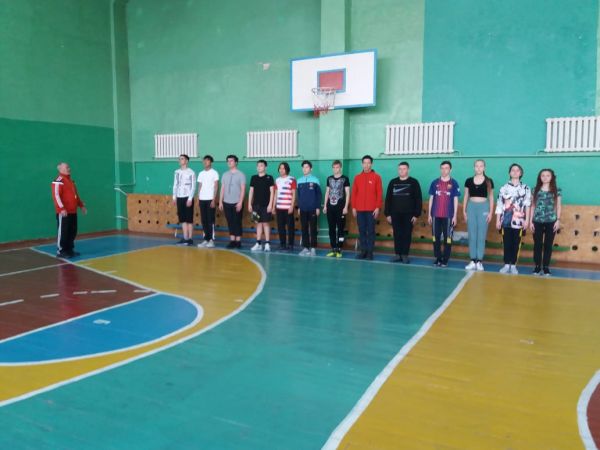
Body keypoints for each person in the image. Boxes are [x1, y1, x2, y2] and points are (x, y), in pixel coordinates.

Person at [495, 163, 531, 274]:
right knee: (506, 243)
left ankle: (514, 264)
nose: (515, 172)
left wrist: (527, 220)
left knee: (516, 243)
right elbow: (499, 204)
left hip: (519, 221)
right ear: (509, 173)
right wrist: (497, 220)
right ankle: (506, 264)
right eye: (513, 170)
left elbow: (527, 205)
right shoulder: (503, 188)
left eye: (517, 170)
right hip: (505, 221)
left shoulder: (526, 188)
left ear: (521, 173)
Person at [384, 161, 422, 263]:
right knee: (397, 234)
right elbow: (388, 199)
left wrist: (416, 214)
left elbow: (418, 199)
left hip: (409, 214)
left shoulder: (414, 182)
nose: (402, 171)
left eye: (404, 169)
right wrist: (387, 214)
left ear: (408, 170)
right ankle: (397, 254)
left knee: (407, 234)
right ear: (398, 170)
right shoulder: (393, 182)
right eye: (400, 169)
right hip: (395, 214)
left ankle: (405, 255)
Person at [462, 160, 494, 271]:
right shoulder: (468, 181)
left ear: (484, 167)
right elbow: (466, 196)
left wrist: (490, 212)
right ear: (474, 167)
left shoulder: (489, 181)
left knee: (481, 235)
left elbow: (491, 197)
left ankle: (479, 261)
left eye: (481, 166)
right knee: (472, 235)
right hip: (471, 208)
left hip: (484, 208)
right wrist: (464, 211)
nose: (479, 168)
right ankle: (472, 260)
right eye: (477, 166)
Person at [427, 160, 460, 267]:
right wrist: (429, 214)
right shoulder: (434, 183)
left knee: (448, 238)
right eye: (442, 168)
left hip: (448, 215)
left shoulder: (454, 183)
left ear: (450, 169)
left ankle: (445, 259)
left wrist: (455, 215)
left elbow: (455, 200)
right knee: (435, 237)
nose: (444, 170)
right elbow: (431, 198)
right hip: (435, 215)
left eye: (446, 168)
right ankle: (438, 258)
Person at [51, 162, 87, 258]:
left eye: (69, 167)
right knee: (63, 231)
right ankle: (61, 251)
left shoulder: (71, 181)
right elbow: (56, 196)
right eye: (67, 167)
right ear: (60, 169)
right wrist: (61, 208)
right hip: (64, 212)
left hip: (73, 211)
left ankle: (69, 250)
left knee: (72, 231)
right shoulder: (58, 181)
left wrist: (81, 205)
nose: (69, 169)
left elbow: (75, 195)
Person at [530, 169, 562, 276]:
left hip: (551, 221)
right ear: (540, 177)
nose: (545, 177)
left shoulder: (557, 190)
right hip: (537, 221)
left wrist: (558, 220)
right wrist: (530, 221)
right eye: (543, 175)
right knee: (537, 244)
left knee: (548, 244)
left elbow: (558, 206)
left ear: (552, 177)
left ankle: (546, 267)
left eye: (548, 175)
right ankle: (537, 266)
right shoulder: (535, 190)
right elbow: (532, 206)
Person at [351, 155, 383, 261]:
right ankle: (363, 251)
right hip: (359, 210)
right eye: (364, 163)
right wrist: (354, 207)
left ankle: (370, 252)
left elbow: (379, 193)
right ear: (362, 164)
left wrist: (377, 207)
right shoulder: (357, 177)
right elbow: (354, 193)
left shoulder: (377, 177)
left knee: (371, 231)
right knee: (362, 231)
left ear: (371, 164)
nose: (366, 165)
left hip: (371, 210)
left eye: (368, 163)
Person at [323, 160, 350, 257]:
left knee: (340, 229)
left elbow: (348, 193)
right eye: (334, 167)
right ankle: (333, 248)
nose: (335, 169)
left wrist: (346, 207)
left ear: (340, 168)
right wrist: (325, 205)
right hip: (330, 207)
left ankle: (339, 248)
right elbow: (327, 192)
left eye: (337, 167)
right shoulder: (329, 178)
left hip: (341, 208)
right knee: (331, 229)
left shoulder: (345, 178)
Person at [219, 154, 246, 249]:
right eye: (228, 161)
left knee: (237, 221)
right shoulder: (225, 174)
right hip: (226, 202)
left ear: (236, 162)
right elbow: (222, 188)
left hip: (237, 202)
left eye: (231, 161)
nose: (229, 162)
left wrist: (240, 202)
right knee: (230, 221)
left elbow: (243, 189)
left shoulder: (241, 174)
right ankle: (232, 240)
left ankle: (238, 241)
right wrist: (220, 201)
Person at [249, 160, 275, 252]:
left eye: (261, 165)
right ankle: (258, 243)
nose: (259, 167)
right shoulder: (253, 178)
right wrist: (249, 203)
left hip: (266, 205)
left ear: (265, 167)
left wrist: (270, 204)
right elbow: (251, 191)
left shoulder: (269, 178)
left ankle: (267, 243)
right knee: (258, 223)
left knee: (266, 223)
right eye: (258, 166)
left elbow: (272, 192)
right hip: (256, 205)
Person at [296, 160, 321, 257]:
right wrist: (299, 207)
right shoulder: (299, 180)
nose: (305, 169)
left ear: (311, 169)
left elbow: (319, 195)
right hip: (303, 209)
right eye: (303, 167)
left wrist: (317, 207)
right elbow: (298, 196)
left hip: (313, 209)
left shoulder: (315, 180)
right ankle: (305, 248)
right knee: (304, 228)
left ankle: (313, 248)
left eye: (307, 167)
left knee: (313, 229)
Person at [172, 154, 196, 246]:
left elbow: (193, 187)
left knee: (189, 219)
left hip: (188, 197)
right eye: (179, 159)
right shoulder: (176, 172)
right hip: (179, 197)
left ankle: (190, 238)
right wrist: (174, 197)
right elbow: (175, 185)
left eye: (182, 159)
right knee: (182, 218)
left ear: (186, 161)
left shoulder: (191, 172)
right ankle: (185, 237)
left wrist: (190, 199)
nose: (180, 160)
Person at [196, 154, 219, 248]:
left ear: (211, 162)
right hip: (202, 199)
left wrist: (214, 199)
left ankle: (211, 240)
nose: (205, 162)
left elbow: (216, 186)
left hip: (210, 199)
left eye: (207, 160)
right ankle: (206, 239)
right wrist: (198, 198)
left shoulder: (214, 173)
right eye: (204, 160)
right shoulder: (201, 173)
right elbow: (200, 186)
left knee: (210, 220)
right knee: (204, 220)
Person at [274, 162, 297, 251]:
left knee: (290, 227)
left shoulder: (292, 179)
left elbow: (294, 194)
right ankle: (282, 244)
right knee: (281, 227)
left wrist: (292, 206)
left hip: (288, 208)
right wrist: (273, 206)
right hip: (279, 208)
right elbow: (276, 194)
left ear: (287, 169)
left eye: (283, 168)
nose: (281, 170)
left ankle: (290, 244)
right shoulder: (277, 180)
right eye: (280, 168)